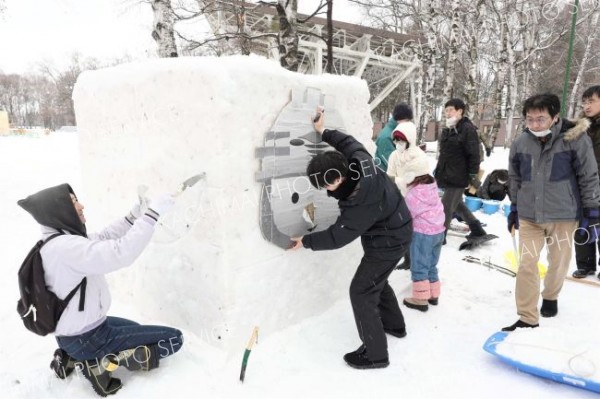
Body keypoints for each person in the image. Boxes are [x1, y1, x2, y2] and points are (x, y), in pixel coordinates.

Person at [18, 183, 184, 396]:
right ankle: (97, 365)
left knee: (136, 328)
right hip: (88, 337)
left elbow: (105, 237)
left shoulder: (57, 242)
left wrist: (136, 214)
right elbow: (120, 252)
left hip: (75, 335)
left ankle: (72, 356)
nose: (81, 205)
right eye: (73, 202)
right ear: (59, 210)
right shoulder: (67, 248)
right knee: (171, 339)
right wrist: (153, 214)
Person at [290, 107, 412, 370]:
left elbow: (337, 236)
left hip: (389, 240)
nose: (324, 191)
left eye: (324, 186)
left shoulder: (359, 203)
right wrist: (323, 131)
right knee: (376, 281)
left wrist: (306, 241)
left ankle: (375, 354)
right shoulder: (359, 161)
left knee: (361, 290)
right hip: (396, 227)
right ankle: (395, 326)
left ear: (336, 178)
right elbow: (348, 142)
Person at [502, 93, 600, 331]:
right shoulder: (521, 143)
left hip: (564, 216)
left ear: (555, 117)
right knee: (527, 263)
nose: (535, 125)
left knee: (558, 263)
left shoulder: (575, 140)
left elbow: (588, 176)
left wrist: (592, 212)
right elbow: (515, 177)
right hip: (529, 216)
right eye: (530, 119)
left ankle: (550, 295)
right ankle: (527, 316)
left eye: (541, 119)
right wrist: (514, 207)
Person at [434, 98, 487, 240]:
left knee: (445, 207)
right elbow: (444, 154)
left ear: (460, 111)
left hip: (459, 175)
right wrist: (438, 170)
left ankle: (439, 237)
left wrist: (473, 175)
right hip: (447, 174)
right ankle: (477, 229)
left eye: (451, 110)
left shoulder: (467, 129)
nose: (447, 113)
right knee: (457, 205)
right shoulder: (448, 129)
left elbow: (474, 154)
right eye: (446, 110)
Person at [400, 149, 445, 312]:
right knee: (431, 263)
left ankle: (420, 299)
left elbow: (406, 214)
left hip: (423, 233)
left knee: (419, 264)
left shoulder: (413, 194)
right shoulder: (431, 187)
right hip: (438, 231)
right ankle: (433, 294)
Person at [573, 85, 600, 280]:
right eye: (584, 101)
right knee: (582, 224)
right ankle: (585, 265)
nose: (586, 106)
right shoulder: (580, 127)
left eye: (591, 101)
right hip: (581, 184)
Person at [386, 120, 419, 270]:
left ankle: (414, 260)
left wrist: (400, 181)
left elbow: (416, 180)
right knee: (400, 231)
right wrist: (396, 182)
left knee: (412, 231)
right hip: (398, 198)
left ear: (409, 140)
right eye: (396, 140)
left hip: (414, 199)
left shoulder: (417, 156)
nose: (398, 143)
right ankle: (407, 259)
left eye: (401, 140)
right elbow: (389, 175)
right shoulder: (394, 155)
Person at [374, 103, 413, 171]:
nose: (408, 123)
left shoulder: (398, 132)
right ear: (399, 118)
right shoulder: (386, 137)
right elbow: (394, 164)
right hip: (385, 178)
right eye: (407, 120)